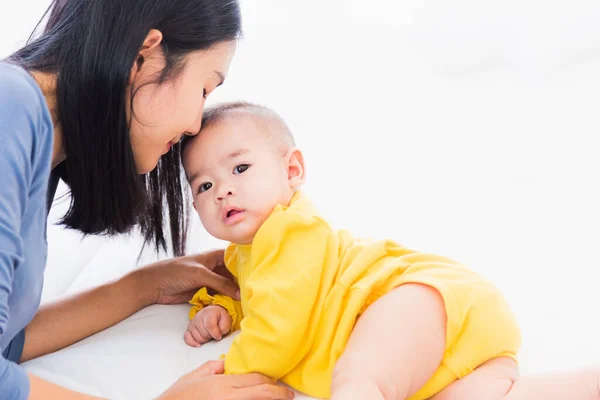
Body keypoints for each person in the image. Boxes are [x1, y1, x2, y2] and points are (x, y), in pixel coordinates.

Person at [180, 101, 600, 400]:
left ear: (292, 171)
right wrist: (218, 311)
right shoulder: (243, 258)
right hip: (436, 344)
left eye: (239, 168)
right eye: (204, 185)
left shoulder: (292, 231)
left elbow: (279, 326)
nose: (223, 190)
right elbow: (253, 295)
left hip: (411, 301)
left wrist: (227, 375)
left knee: (360, 381)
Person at [0, 0, 294, 399]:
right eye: (204, 88)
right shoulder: (10, 108)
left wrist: (144, 287)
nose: (194, 124)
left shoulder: (40, 141)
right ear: (146, 54)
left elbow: (6, 345)